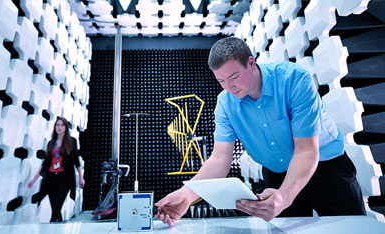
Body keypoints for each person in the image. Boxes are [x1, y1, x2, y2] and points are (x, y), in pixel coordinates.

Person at [155, 37, 366, 226]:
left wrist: (284, 196)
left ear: (251, 62)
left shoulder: (294, 80)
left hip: (326, 170)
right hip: (275, 176)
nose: (229, 87)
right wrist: (188, 194)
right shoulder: (225, 104)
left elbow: (306, 150)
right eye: (221, 81)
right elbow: (219, 159)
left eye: (234, 76)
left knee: (351, 228)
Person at [28, 116, 85, 222]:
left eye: (62, 125)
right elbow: (45, 163)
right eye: (57, 125)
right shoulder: (51, 143)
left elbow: (76, 161)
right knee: (55, 209)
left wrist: (81, 177)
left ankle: (54, 225)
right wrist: (34, 179)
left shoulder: (72, 141)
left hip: (64, 178)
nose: (59, 127)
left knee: (56, 206)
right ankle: (57, 226)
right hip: (50, 179)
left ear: (66, 127)